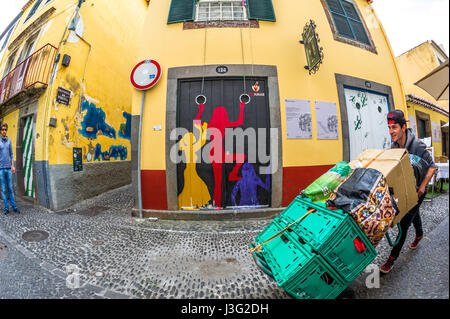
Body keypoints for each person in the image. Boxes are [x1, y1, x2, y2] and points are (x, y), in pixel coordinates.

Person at [380, 110, 436, 273]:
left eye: (394, 127)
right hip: (406, 188)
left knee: (404, 223)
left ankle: (391, 258)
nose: (391, 132)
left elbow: (432, 167)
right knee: (414, 213)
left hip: (419, 189)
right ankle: (419, 234)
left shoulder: (417, 145)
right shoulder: (394, 146)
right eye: (389, 128)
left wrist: (422, 186)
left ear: (403, 127)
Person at [0, 123, 19, 215]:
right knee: (3, 190)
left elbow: (11, 154)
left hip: (8, 168)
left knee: (10, 189)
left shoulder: (9, 141)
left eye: (5, 129)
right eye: (2, 129)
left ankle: (14, 206)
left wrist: (13, 166)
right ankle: (6, 208)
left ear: (6, 131)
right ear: (0, 131)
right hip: (1, 169)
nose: (4, 131)